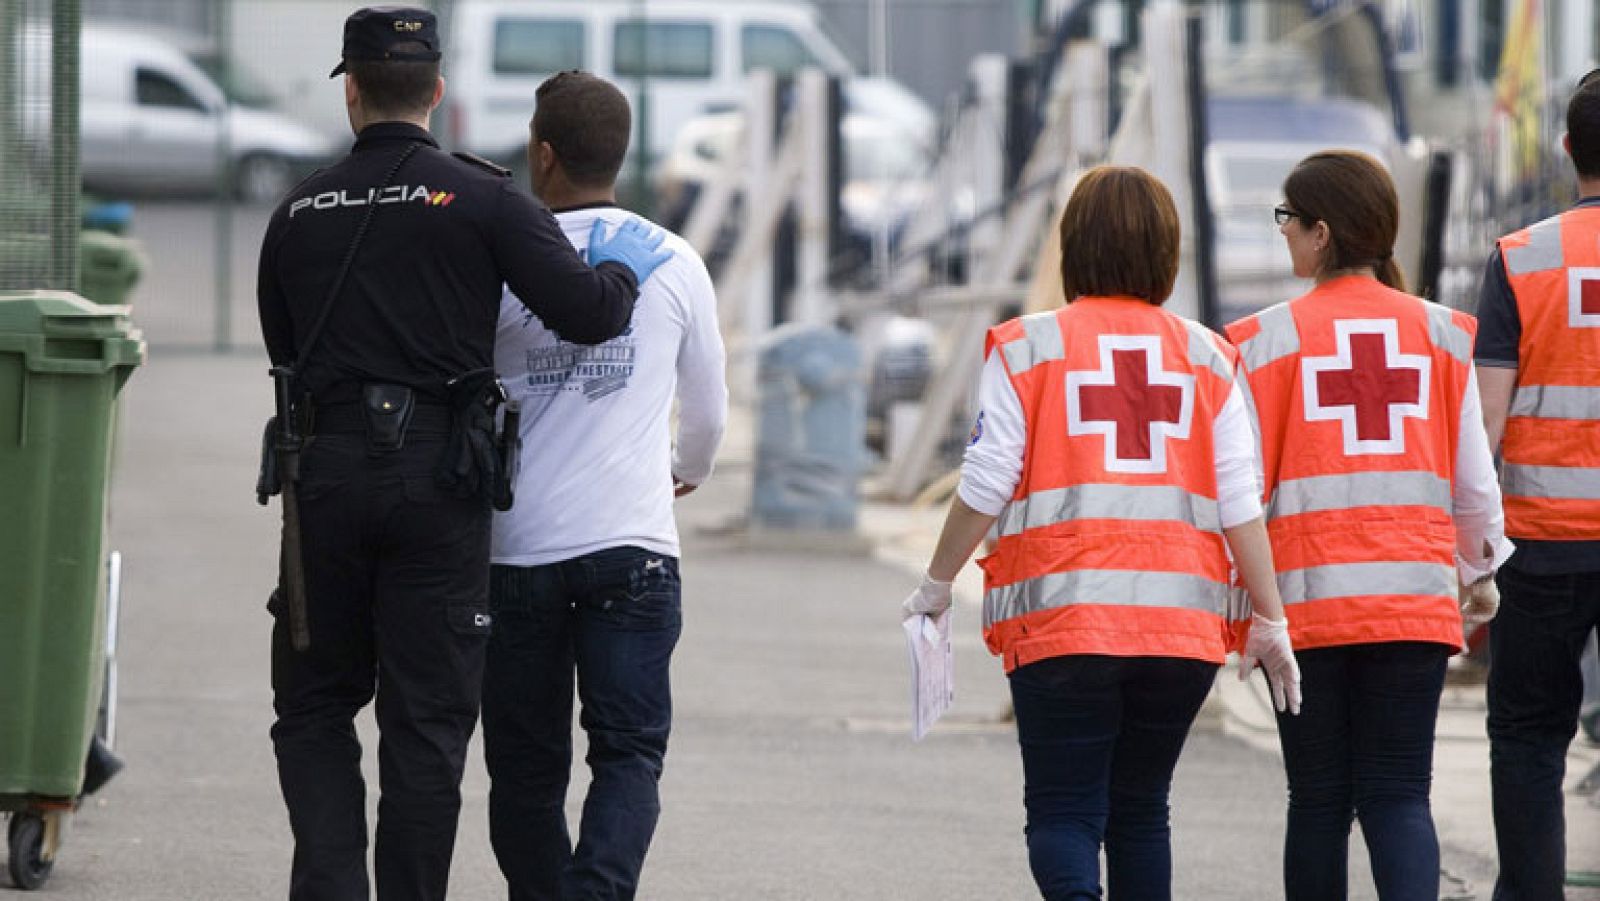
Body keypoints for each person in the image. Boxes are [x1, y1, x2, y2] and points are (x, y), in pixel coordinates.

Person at [255, 10, 672, 901]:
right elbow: (590, 312)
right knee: (427, 724)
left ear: (352, 90)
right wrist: (624, 268)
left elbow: (283, 351)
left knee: (314, 706)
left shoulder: (297, 211)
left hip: (323, 477)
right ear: (438, 92)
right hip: (440, 485)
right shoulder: (484, 199)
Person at [901, 165, 1301, 901]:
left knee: (1064, 809)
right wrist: (1270, 619)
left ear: (1072, 245)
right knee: (1142, 811)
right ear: (1167, 250)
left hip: (1064, 622)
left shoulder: (1027, 347)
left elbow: (987, 481)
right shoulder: (1210, 356)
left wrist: (935, 583)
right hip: (1181, 631)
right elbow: (1239, 502)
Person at [1225, 150, 1511, 901]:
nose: (1283, 231)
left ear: (1321, 232)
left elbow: (1239, 491)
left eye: (1288, 218)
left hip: (1305, 607)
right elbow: (1473, 481)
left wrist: (1239, 601)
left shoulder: (1261, 342)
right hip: (1413, 605)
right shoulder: (1441, 334)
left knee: (1317, 799)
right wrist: (1480, 573)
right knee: (1399, 794)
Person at [481, 71, 727, 901]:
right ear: (621, 154)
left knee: (524, 767)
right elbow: (709, 410)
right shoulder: (675, 261)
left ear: (543, 155)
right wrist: (684, 470)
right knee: (627, 754)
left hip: (520, 548)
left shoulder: (502, 260)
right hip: (633, 544)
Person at [1476, 75, 1600, 901]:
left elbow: (1484, 423)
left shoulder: (1522, 259)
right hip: (1547, 539)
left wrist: (1468, 551)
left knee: (1527, 735)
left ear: (1566, 150)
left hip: (1542, 541)